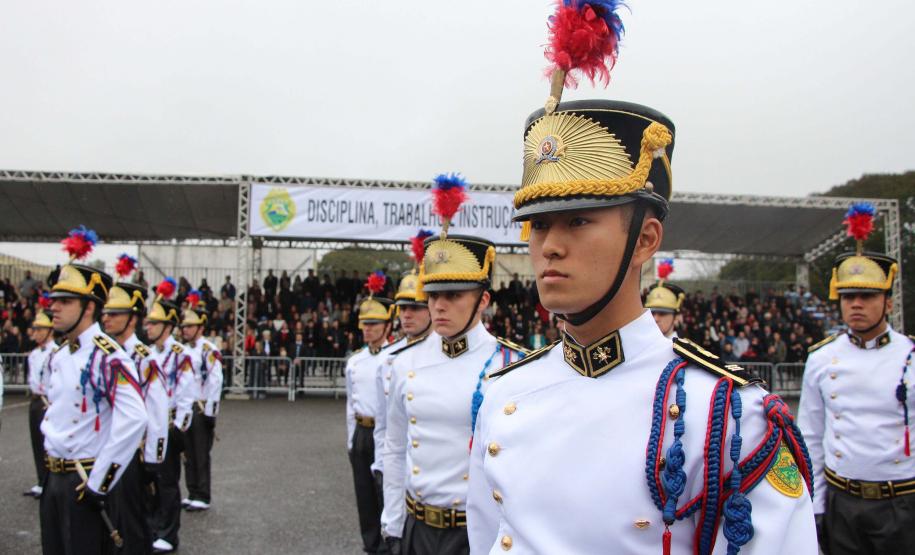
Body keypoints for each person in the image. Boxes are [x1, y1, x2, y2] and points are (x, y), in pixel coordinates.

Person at [465, 6, 817, 552]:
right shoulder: (502, 394)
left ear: (646, 240)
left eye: (579, 220)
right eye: (537, 225)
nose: (549, 245)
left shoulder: (728, 417)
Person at [381, 175, 527, 555]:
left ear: (482, 300)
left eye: (453, 295)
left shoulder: (511, 364)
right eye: (432, 295)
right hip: (416, 528)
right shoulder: (404, 363)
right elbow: (395, 449)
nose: (439, 306)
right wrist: (392, 525)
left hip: (476, 535)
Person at [798, 203, 914, 554]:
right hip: (841, 502)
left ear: (888, 303)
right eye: (848, 297)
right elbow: (811, 436)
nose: (856, 304)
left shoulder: (910, 355)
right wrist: (814, 507)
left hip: (902, 503)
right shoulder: (820, 359)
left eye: (867, 296)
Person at [40, 227, 148, 554]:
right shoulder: (59, 354)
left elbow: (135, 419)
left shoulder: (108, 356)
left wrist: (100, 482)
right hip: (54, 477)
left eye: (65, 301)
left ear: (89, 308)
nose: (53, 307)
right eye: (54, 300)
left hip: (84, 478)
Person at [101, 256, 162, 555]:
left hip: (133, 453)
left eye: (115, 313)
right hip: (107, 449)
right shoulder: (106, 355)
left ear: (133, 318)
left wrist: (152, 459)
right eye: (105, 313)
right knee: (110, 522)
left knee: (133, 523)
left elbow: (156, 411)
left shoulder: (143, 357)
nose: (106, 318)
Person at [372, 230, 435, 509]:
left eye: (415, 307)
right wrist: (380, 464)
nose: (406, 315)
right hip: (399, 471)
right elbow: (384, 426)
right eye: (402, 308)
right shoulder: (389, 360)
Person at [346, 271, 396, 555]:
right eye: (364, 324)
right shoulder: (355, 361)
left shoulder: (397, 357)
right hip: (362, 432)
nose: (367, 329)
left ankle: (390, 543)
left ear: (388, 325)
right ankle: (371, 544)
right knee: (364, 493)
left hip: (387, 433)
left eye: (374, 324)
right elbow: (350, 405)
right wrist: (350, 440)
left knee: (385, 491)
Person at [146, 279, 195, 554]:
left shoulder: (181, 355)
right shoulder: (148, 353)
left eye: (154, 323)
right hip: (150, 427)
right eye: (148, 323)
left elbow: (187, 395)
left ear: (168, 326)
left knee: (167, 483)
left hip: (169, 425)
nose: (148, 327)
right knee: (150, 481)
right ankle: (153, 526)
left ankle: (168, 533)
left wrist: (179, 429)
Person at [180, 291, 224, 512]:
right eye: (184, 326)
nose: (184, 330)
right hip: (185, 408)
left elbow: (216, 382)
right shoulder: (183, 349)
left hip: (200, 407)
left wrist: (210, 412)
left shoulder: (209, 350)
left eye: (189, 326)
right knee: (187, 454)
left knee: (200, 453)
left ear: (200, 327)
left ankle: (203, 494)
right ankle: (192, 491)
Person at [23, 296, 56, 498]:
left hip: (47, 401)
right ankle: (40, 480)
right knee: (36, 441)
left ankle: (48, 482)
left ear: (49, 331)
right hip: (35, 400)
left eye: (39, 329)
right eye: (34, 329)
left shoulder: (56, 352)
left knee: (47, 443)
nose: (35, 333)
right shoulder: (35, 354)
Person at [645, 258, 685, 339]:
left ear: (676, 317)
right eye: (652, 313)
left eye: (662, 313)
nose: (656, 319)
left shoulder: (681, 351)